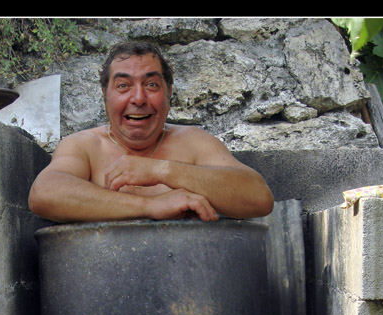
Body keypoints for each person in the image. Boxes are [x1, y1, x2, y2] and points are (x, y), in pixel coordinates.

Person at [28, 40, 274, 223]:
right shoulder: (84, 146)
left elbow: (258, 198)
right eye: (123, 86)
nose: (138, 98)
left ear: (168, 94)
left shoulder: (195, 142)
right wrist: (150, 205)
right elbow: (45, 193)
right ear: (105, 95)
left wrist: (162, 170)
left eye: (151, 85)